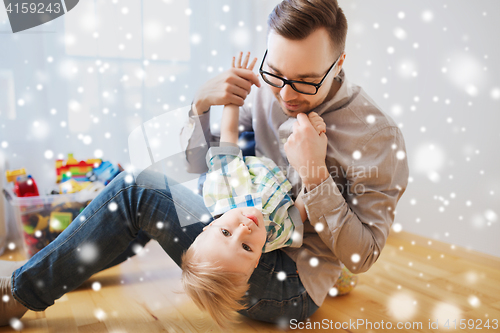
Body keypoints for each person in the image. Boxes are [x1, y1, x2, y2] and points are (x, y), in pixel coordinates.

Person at [1, 0, 409, 329]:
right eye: (276, 73)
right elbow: (200, 168)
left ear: (338, 65)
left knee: (135, 190)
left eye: (304, 81)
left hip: (289, 284)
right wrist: (200, 108)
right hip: (240, 225)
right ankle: (46, 271)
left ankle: (20, 293)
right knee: (150, 194)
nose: (285, 95)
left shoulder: (377, 138)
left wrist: (317, 175)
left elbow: (362, 257)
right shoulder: (270, 91)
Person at [181, 52, 333, 328]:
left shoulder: (224, 190)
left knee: (238, 145)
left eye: (226, 232)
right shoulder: (275, 235)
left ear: (207, 226)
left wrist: (233, 98)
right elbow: (304, 203)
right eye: (246, 247)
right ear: (256, 264)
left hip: (248, 166)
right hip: (280, 175)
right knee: (294, 138)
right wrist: (315, 144)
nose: (244, 229)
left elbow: (229, 137)